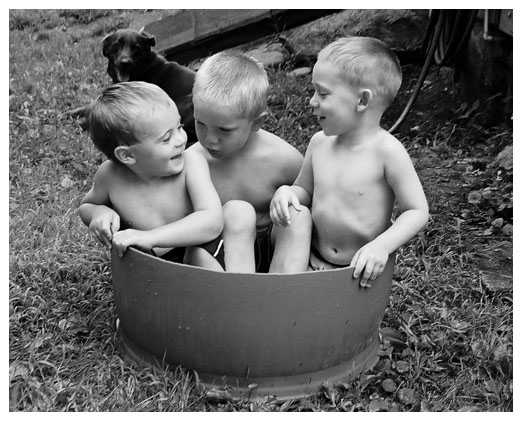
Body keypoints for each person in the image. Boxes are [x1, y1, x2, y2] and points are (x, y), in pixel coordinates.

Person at [269, 36, 429, 286]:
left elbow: (417, 211)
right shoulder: (319, 143)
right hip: (310, 257)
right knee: (293, 218)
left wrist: (381, 246)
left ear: (362, 101)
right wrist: (287, 193)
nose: (312, 101)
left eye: (322, 93)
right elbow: (304, 191)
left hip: (359, 270)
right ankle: (276, 296)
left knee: (337, 320)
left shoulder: (388, 152)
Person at [79, 81, 223, 266]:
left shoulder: (192, 164)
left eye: (179, 127)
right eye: (166, 138)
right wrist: (99, 213)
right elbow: (87, 205)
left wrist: (152, 237)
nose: (180, 140)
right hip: (150, 262)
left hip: (199, 247)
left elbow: (212, 221)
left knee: (201, 255)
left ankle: (222, 293)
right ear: (127, 155)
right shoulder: (109, 176)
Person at [187, 51, 303, 273]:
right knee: (237, 212)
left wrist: (289, 193)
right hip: (223, 259)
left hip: (274, 255)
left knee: (299, 215)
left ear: (257, 122)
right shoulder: (194, 161)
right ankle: (241, 297)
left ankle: (285, 293)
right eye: (200, 123)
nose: (209, 139)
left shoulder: (283, 159)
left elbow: (317, 201)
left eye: (224, 130)